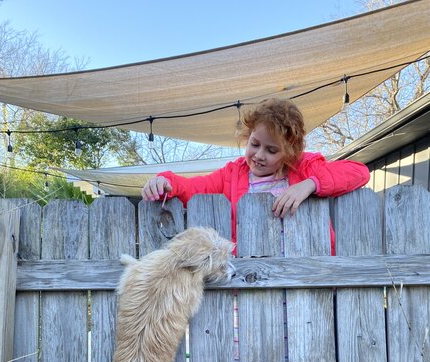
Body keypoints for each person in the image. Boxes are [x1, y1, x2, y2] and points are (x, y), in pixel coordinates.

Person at [141, 97, 370, 251]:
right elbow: (194, 187)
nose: (259, 155)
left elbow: (359, 172)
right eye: (255, 144)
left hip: (305, 274)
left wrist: (310, 184)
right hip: (251, 276)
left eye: (272, 150)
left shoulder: (304, 168)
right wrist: (166, 181)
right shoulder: (232, 174)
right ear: (248, 136)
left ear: (289, 151)